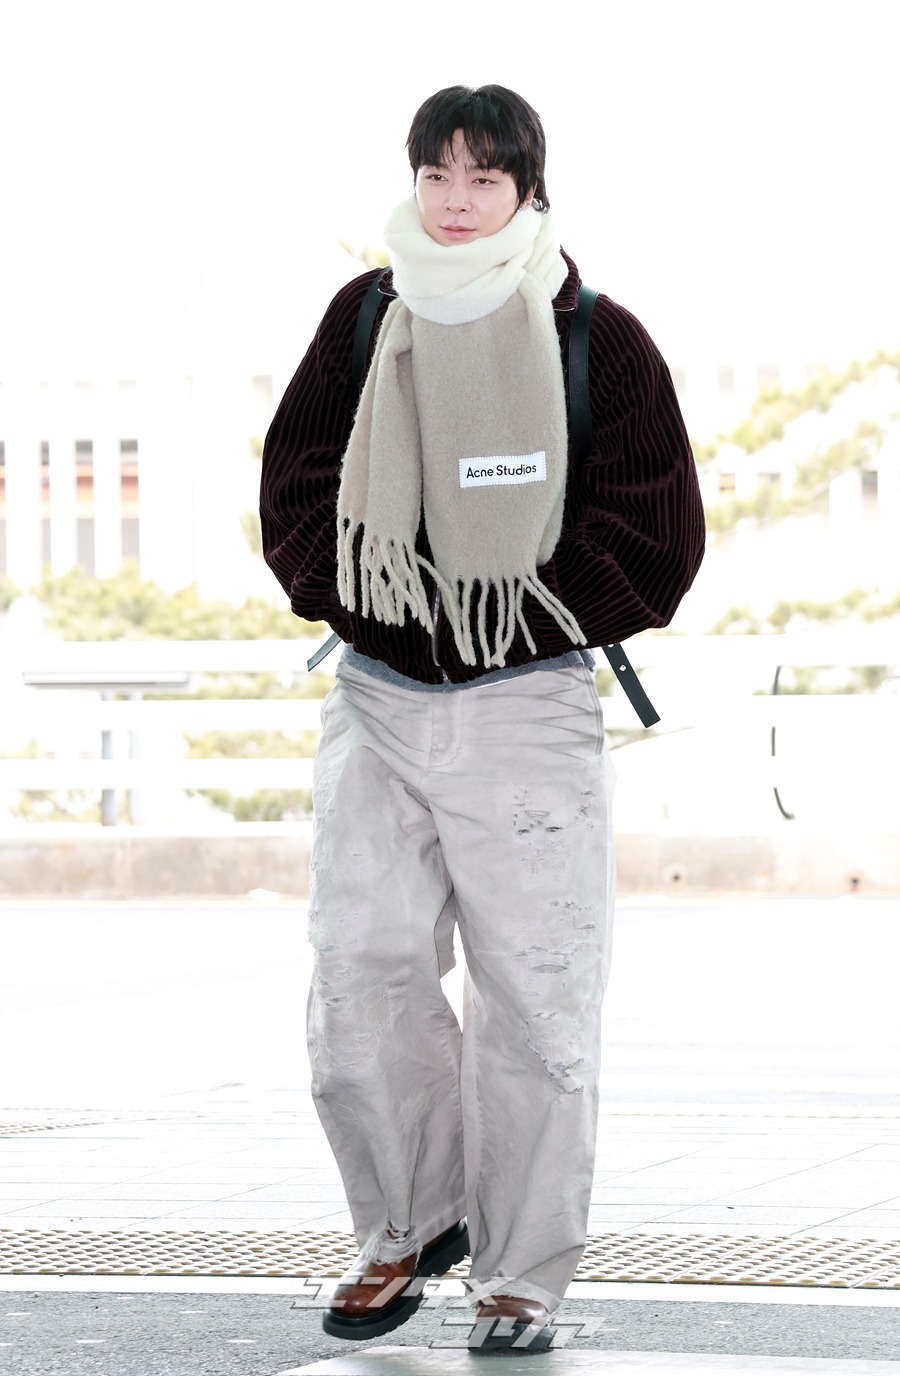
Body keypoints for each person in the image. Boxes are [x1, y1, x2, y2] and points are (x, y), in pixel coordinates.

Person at [260, 84, 705, 1352]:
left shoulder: (595, 334)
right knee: (359, 969)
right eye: (437, 175)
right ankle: (407, 1221)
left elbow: (656, 532)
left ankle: (521, 1271)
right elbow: (297, 486)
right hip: (378, 692)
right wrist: (389, 607)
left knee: (536, 998)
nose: (457, 201)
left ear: (527, 189)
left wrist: (507, 617)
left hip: (530, 703)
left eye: (484, 178)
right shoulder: (365, 318)